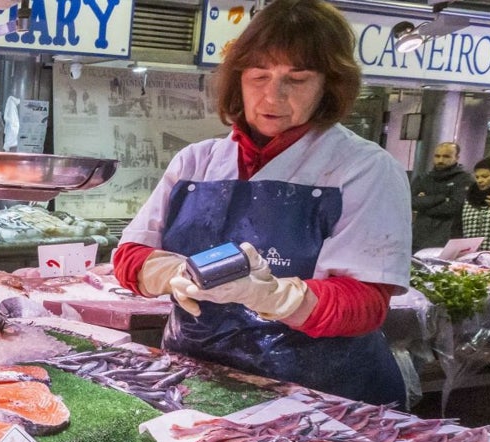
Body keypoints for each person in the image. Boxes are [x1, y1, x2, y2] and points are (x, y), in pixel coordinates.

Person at [111, 0, 410, 407]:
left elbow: (367, 303)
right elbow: (129, 256)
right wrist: (171, 272)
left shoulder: (363, 169)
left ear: (329, 85)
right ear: (238, 81)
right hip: (198, 382)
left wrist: (275, 297)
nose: (273, 95)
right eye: (259, 76)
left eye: (298, 79)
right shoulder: (196, 161)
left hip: (321, 397)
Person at [411, 141, 472, 251]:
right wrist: (442, 198)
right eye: (437, 156)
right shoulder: (424, 178)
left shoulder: (464, 179)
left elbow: (454, 206)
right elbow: (411, 201)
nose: (440, 160)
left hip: (447, 237)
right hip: (419, 236)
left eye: (446, 156)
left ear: (457, 157)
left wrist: (424, 204)